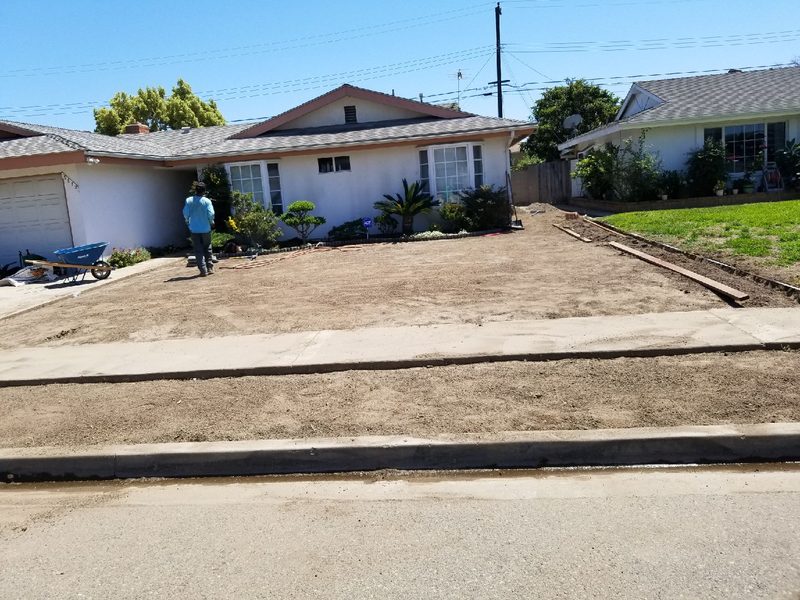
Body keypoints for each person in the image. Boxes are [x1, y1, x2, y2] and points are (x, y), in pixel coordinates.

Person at [183, 182, 215, 276]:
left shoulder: (189, 200)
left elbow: (185, 213)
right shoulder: (207, 201)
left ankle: (203, 270)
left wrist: (188, 222)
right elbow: (211, 214)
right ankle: (210, 268)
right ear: (204, 191)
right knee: (207, 247)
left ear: (195, 190)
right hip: (205, 228)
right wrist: (211, 221)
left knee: (198, 250)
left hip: (194, 229)